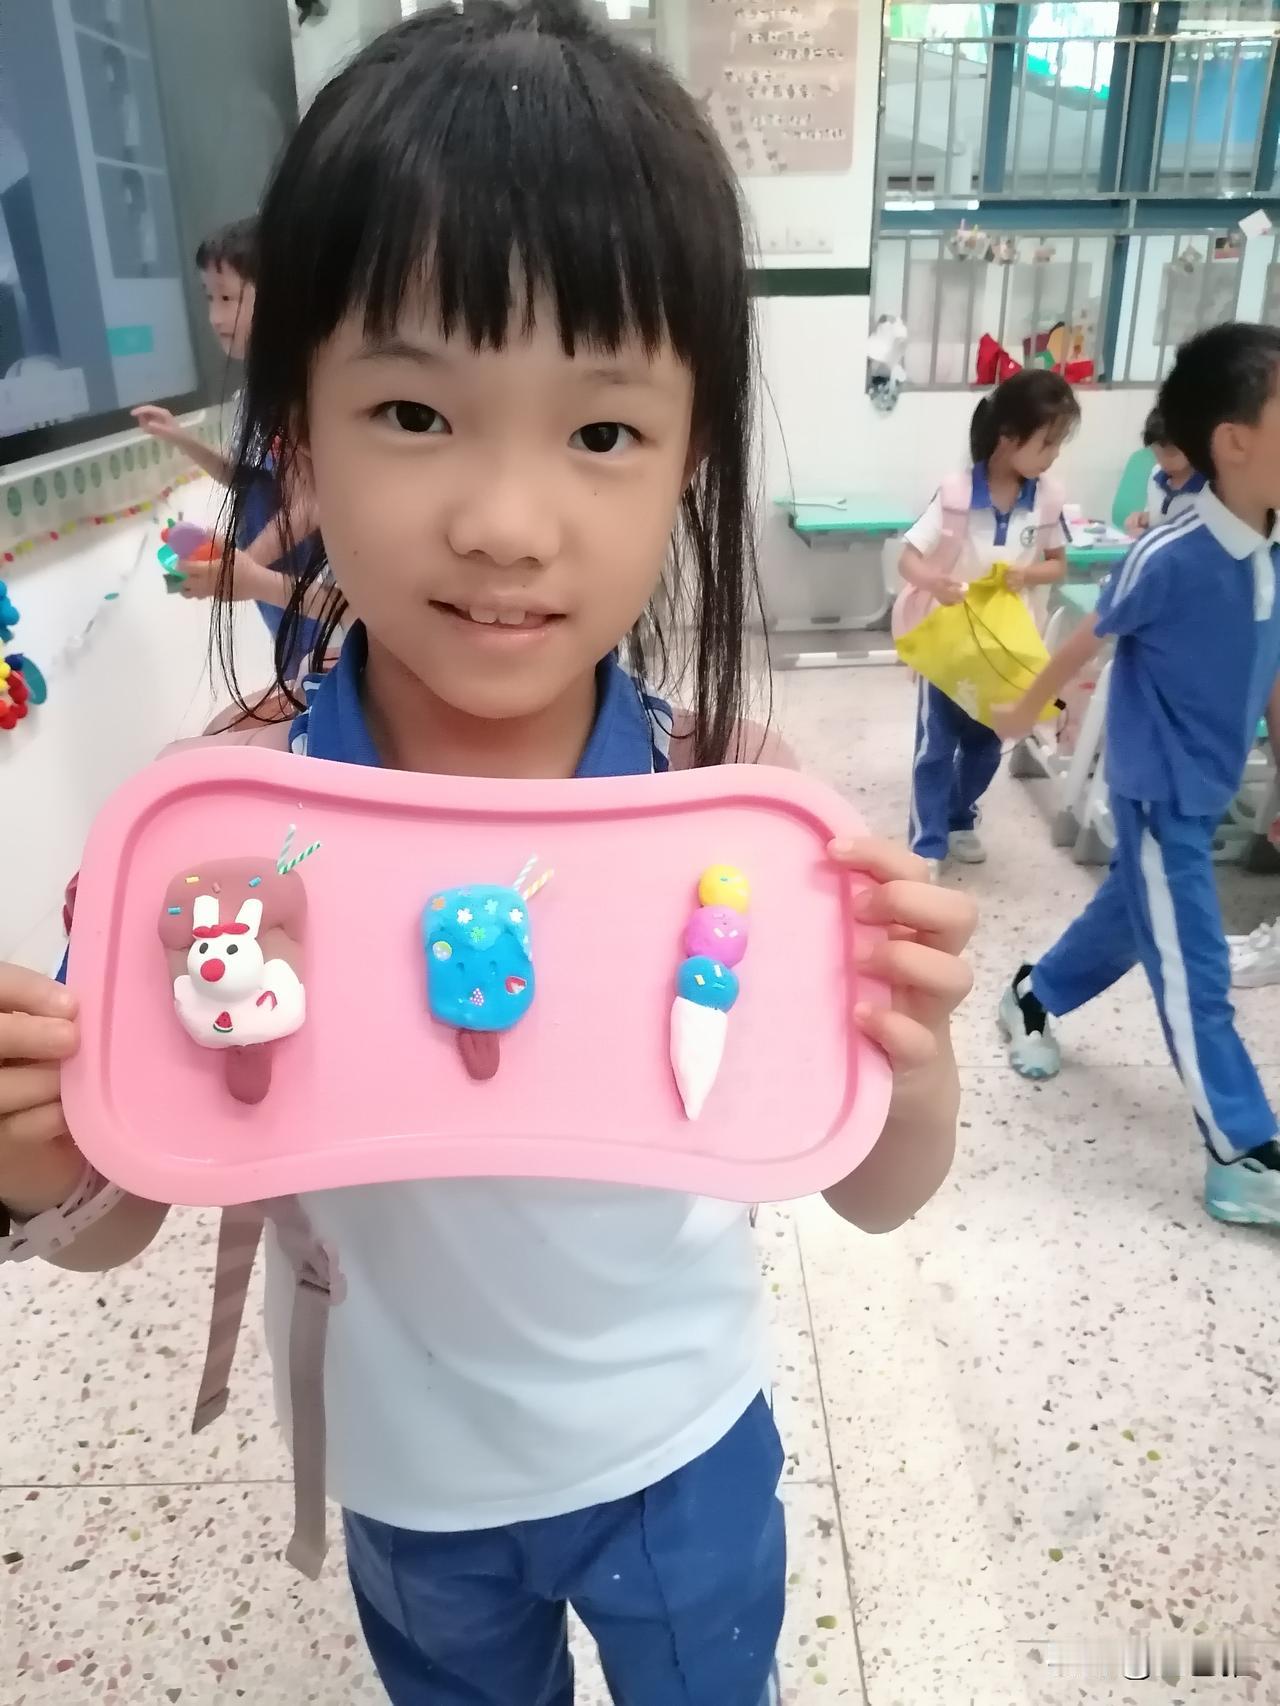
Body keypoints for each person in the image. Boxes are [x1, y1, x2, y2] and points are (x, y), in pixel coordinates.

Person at [0, 6, 976, 1701]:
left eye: (601, 433)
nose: (507, 524)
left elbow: (874, 1191)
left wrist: (919, 1062)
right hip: (410, 1475)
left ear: (686, 459)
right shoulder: (224, 815)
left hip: (680, 1440)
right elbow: (116, 1205)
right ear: (299, 433)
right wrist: (35, 1154)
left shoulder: (726, 800)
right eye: (413, 410)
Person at [993, 321, 1280, 1227]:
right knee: (1195, 971)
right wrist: (1025, 709)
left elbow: (1272, 667)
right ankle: (1242, 1153)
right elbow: (1092, 632)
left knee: (1132, 915)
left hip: (1208, 785)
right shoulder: (1173, 552)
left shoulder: (1269, 547)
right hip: (1159, 793)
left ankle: (1033, 994)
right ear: (1234, 443)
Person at [898, 369, 1079, 877]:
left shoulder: (1045, 500)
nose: (1053, 455)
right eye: (1047, 442)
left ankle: (960, 816)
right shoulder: (956, 494)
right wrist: (934, 583)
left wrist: (1027, 574)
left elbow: (1058, 564)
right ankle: (927, 844)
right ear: (1008, 436)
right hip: (949, 647)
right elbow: (909, 559)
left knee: (985, 747)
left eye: (1058, 443)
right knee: (936, 747)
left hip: (1005, 650)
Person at [130, 217, 328, 677]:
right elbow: (245, 477)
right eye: (209, 298)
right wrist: (180, 437)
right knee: (296, 673)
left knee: (318, 673)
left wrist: (244, 566)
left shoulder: (299, 393)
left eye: (228, 298)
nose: (215, 317)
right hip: (272, 580)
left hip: (304, 581)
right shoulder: (254, 394)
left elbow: (312, 503)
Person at [1123, 405, 1206, 535]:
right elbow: (1159, 517)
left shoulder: (1209, 489)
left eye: (1171, 453)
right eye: (1157, 453)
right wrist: (1145, 519)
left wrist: (1150, 536)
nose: (1163, 461)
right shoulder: (1156, 475)